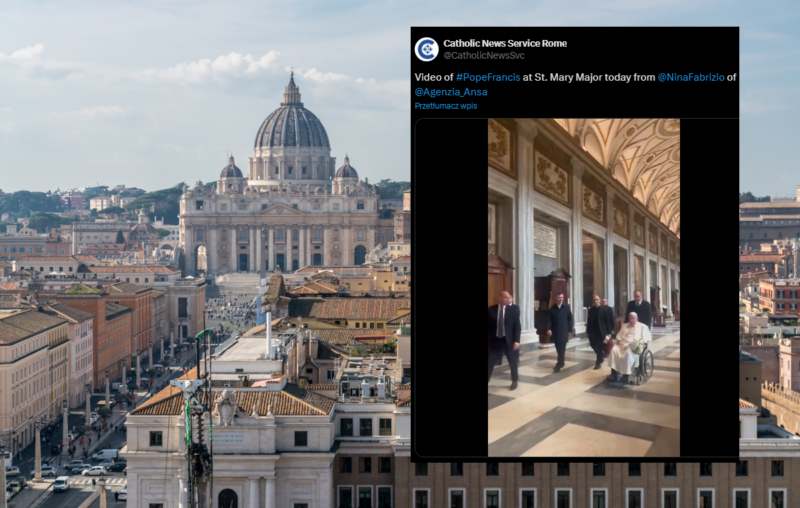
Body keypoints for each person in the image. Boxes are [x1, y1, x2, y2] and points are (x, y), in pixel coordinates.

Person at [487, 290, 521, 390]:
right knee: (490, 362)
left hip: (508, 341)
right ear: (500, 298)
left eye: (509, 297)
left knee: (512, 361)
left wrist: (517, 340)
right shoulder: (491, 310)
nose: (508, 299)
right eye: (506, 297)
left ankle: (514, 381)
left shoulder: (514, 309)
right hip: (495, 341)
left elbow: (517, 326)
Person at [609, 311, 652, 383]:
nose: (631, 320)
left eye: (633, 318)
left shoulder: (642, 326)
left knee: (628, 353)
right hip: (623, 345)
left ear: (637, 318)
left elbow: (645, 340)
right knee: (614, 349)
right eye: (630, 318)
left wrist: (639, 343)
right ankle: (614, 373)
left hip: (633, 347)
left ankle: (626, 375)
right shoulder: (625, 326)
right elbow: (619, 337)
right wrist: (619, 341)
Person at [545, 293, 574, 372]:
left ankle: (559, 363)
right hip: (555, 331)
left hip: (564, 331)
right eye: (559, 297)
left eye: (562, 297)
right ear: (556, 298)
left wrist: (570, 329)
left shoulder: (566, 307)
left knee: (562, 348)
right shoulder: (552, 309)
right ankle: (561, 362)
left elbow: (570, 318)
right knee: (558, 348)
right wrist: (548, 329)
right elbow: (549, 320)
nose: (560, 299)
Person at [586, 295, 613, 369]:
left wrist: (610, 332)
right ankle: (601, 355)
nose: (595, 301)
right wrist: (587, 330)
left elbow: (608, 321)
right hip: (593, 331)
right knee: (593, 345)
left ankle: (598, 362)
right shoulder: (591, 309)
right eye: (594, 300)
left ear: (599, 300)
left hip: (602, 332)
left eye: (597, 299)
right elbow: (589, 320)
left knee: (601, 346)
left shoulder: (604, 309)